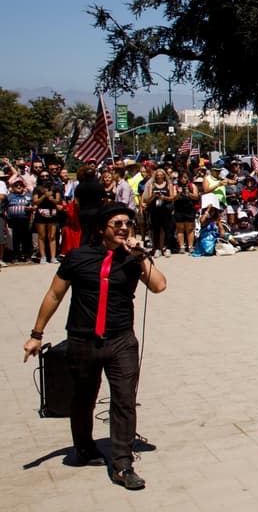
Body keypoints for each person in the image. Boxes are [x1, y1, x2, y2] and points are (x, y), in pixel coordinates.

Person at [22, 202, 167, 490]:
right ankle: (84, 448)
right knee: (83, 397)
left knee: (124, 399)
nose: (124, 228)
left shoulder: (133, 258)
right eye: (117, 224)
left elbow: (159, 285)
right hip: (82, 339)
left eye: (128, 223)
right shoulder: (77, 257)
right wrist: (36, 334)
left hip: (121, 340)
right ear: (102, 229)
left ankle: (123, 464)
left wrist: (140, 256)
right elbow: (54, 294)